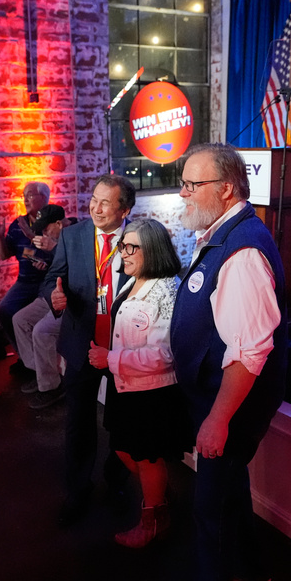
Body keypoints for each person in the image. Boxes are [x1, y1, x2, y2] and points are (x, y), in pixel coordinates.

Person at [169, 143, 288, 581]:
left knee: (210, 508)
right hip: (215, 398)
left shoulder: (241, 253)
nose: (183, 193)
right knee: (231, 492)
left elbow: (250, 351)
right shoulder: (226, 233)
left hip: (230, 405)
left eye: (191, 184)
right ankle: (254, 574)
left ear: (226, 188)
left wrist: (218, 420)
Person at [87, 218, 189, 548]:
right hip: (126, 386)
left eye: (131, 247)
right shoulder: (133, 280)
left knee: (146, 457)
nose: (123, 253)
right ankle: (159, 498)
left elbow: (164, 356)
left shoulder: (166, 291)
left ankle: (154, 520)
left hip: (151, 391)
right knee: (125, 450)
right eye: (122, 246)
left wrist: (110, 360)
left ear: (153, 250)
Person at [43, 174, 136, 526]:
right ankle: (77, 489)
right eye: (93, 200)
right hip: (81, 339)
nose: (95, 208)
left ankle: (117, 481)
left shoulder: (139, 237)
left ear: (124, 209)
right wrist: (53, 295)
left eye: (105, 202)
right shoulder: (73, 235)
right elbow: (53, 277)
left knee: (122, 420)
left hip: (123, 344)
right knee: (78, 422)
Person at [0, 181, 50, 375]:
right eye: (24, 195)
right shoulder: (17, 225)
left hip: (46, 282)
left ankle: (39, 364)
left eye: (30, 195)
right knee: (3, 311)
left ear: (44, 198)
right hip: (24, 282)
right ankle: (25, 358)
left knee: (30, 320)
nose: (25, 199)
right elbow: (3, 255)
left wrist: (34, 238)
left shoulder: (53, 222)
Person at [13, 203, 70, 410]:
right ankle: (41, 375)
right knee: (19, 319)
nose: (44, 233)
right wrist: (43, 263)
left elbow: (76, 268)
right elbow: (55, 268)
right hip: (48, 293)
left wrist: (53, 248)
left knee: (41, 330)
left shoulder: (74, 235)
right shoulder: (52, 240)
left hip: (67, 298)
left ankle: (51, 386)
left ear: (58, 224)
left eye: (46, 229)